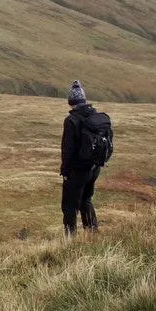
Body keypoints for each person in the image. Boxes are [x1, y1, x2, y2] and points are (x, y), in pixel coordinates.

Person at [60, 80, 111, 237]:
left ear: (71, 102)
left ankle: (70, 240)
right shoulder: (96, 118)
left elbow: (67, 150)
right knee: (86, 201)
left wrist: (65, 171)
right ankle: (92, 234)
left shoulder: (71, 121)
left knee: (69, 206)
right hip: (94, 168)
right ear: (83, 100)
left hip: (77, 171)